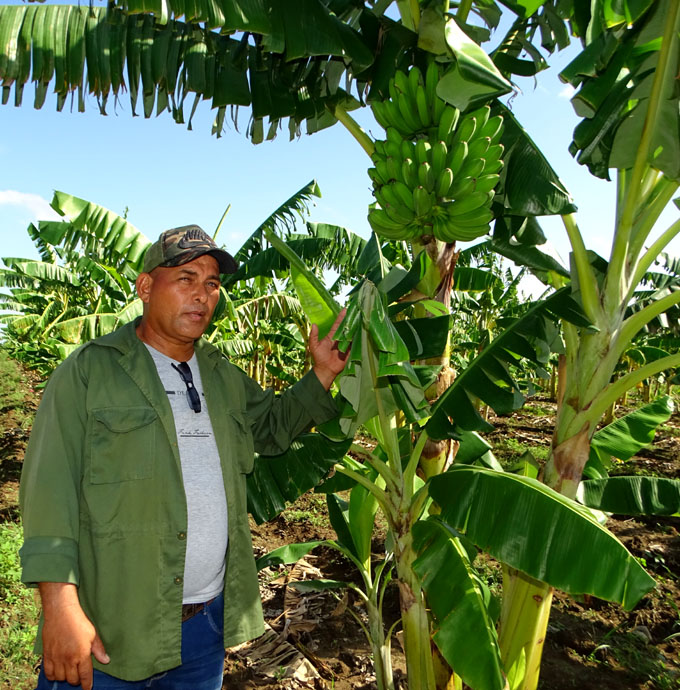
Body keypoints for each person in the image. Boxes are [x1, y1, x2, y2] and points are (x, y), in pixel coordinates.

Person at [19, 225, 349, 690]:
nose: (202, 296)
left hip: (204, 628)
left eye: (212, 284)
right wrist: (59, 607)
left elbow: (272, 430)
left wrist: (321, 375)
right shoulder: (90, 371)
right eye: (186, 279)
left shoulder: (220, 374)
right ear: (146, 287)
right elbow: (49, 491)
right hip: (112, 626)